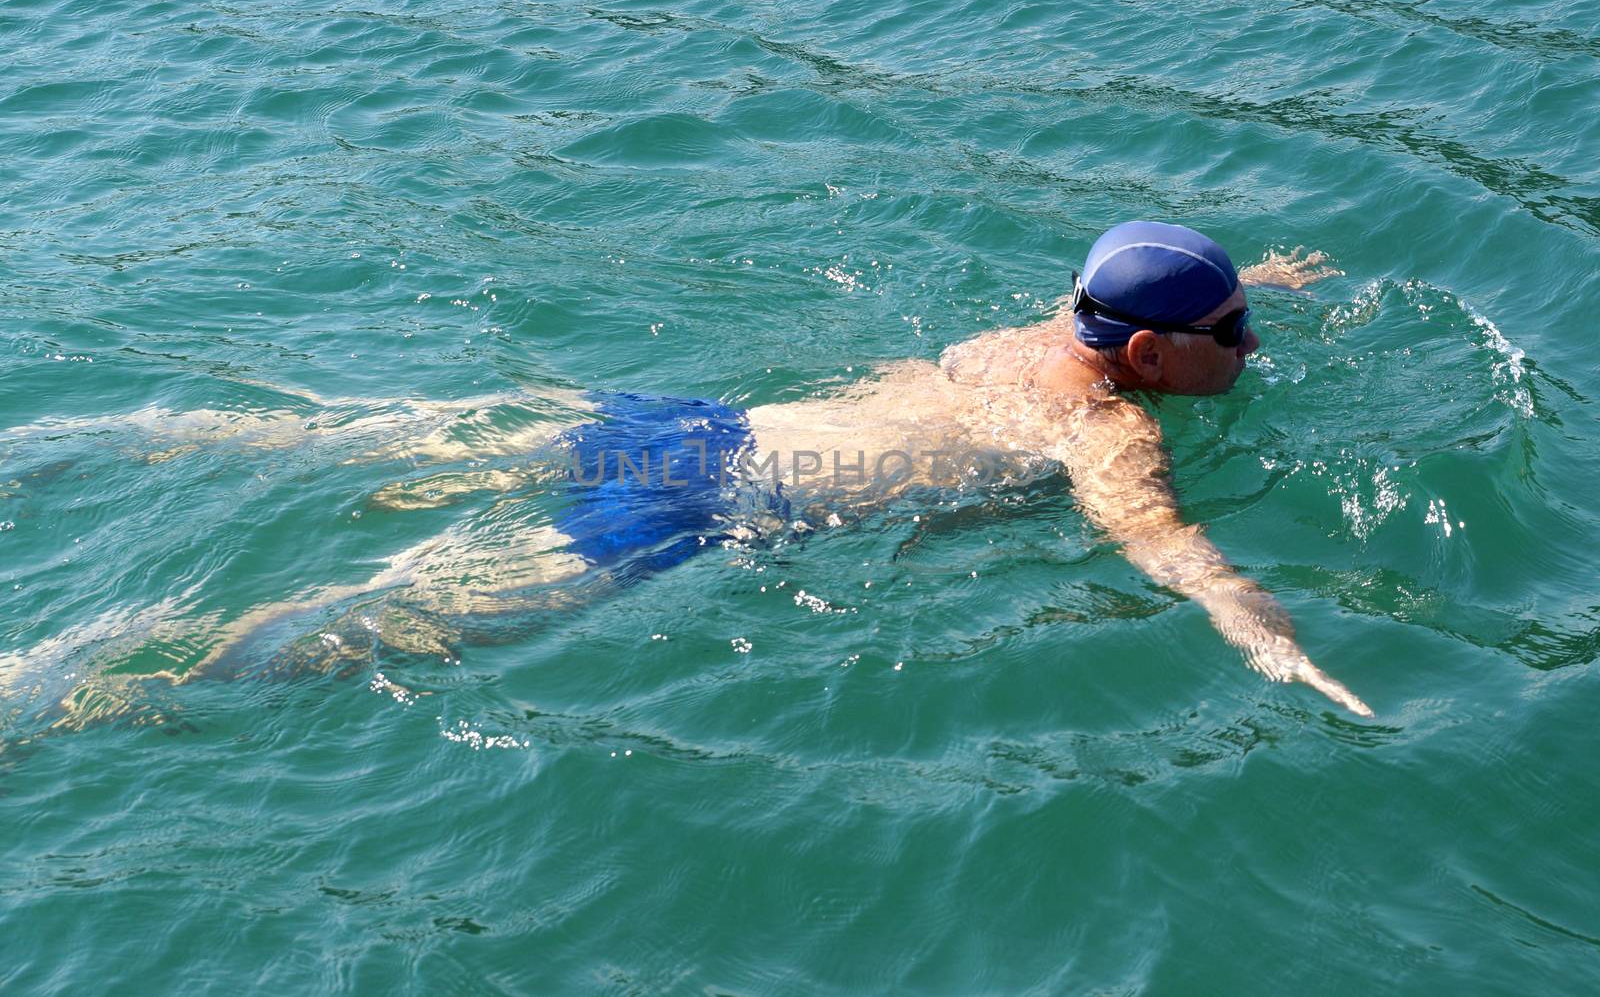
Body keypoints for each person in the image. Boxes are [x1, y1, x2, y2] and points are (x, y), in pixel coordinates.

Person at [5, 221, 1371, 734]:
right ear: (1143, 351)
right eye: (1233, 331)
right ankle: (68, 682)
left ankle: (56, 451)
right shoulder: (1108, 432)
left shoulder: (1040, 333)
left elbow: (1131, 292)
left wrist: (1264, 279)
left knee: (323, 438)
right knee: (362, 626)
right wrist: (1264, 633)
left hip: (692, 421)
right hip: (709, 510)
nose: (1249, 345)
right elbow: (1163, 545)